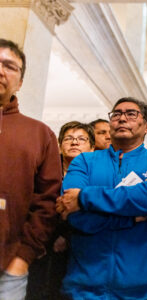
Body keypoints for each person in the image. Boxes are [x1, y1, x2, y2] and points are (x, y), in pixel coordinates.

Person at [56, 97, 147, 299]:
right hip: (84, 287)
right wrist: (128, 218)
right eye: (116, 114)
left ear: (146, 126)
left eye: (131, 114)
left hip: (145, 288)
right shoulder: (85, 161)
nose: (122, 119)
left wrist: (85, 197)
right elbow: (74, 215)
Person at [0, 39, 62, 300]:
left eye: (9, 66)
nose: (0, 70)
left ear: (20, 82)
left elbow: (47, 201)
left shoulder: (40, 134)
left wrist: (24, 256)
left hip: (8, 267)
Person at [27, 121, 95, 300]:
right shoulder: (44, 171)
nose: (74, 143)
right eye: (69, 139)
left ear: (92, 147)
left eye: (81, 139)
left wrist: (66, 235)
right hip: (39, 240)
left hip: (81, 245)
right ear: (59, 145)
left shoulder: (98, 175)